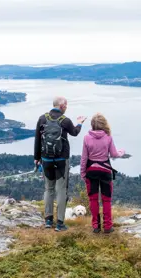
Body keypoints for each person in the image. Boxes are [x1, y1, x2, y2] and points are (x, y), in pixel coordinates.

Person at [34, 96, 85, 231]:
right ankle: (60, 223)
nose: (66, 107)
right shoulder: (65, 120)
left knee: (48, 189)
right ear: (62, 106)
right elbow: (74, 133)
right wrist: (79, 123)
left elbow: (37, 139)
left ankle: (48, 221)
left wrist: (37, 157)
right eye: (66, 105)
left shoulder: (42, 118)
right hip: (62, 160)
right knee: (61, 190)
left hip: (46, 160)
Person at [80, 113, 125, 234]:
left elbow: (84, 158)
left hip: (91, 172)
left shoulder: (86, 138)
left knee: (93, 199)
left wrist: (83, 173)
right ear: (104, 124)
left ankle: (95, 226)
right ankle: (108, 227)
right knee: (106, 200)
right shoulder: (108, 137)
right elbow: (114, 154)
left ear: (92, 125)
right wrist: (122, 152)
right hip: (105, 171)